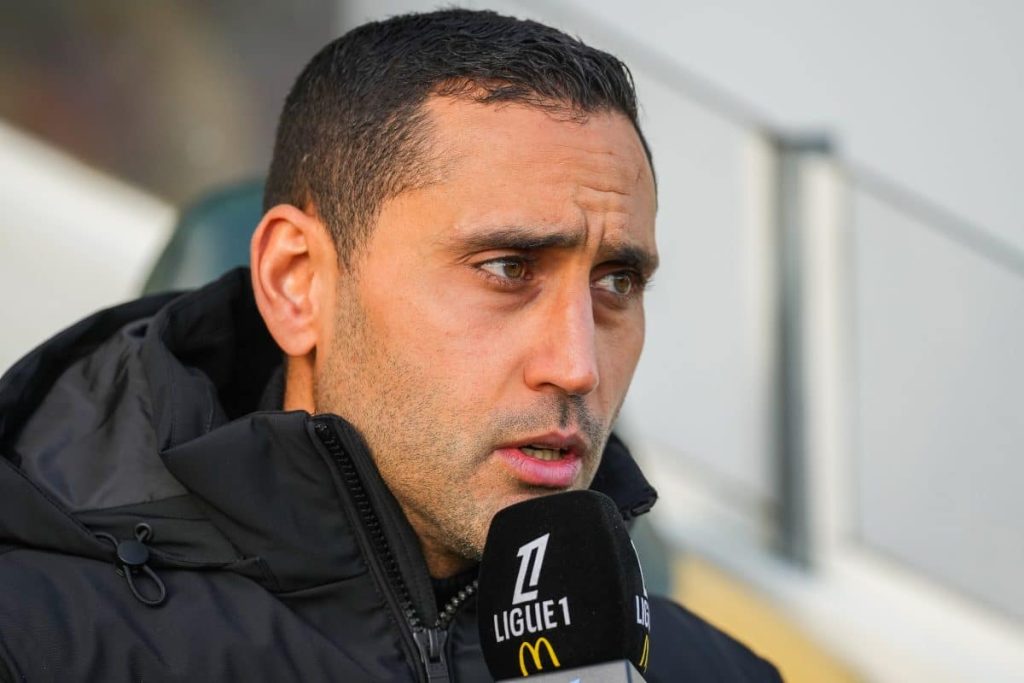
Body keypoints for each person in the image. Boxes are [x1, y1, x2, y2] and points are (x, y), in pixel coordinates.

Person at [0, 9, 780, 682]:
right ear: (298, 282)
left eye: (616, 282)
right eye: (507, 268)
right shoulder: (41, 642)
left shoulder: (712, 671)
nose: (576, 366)